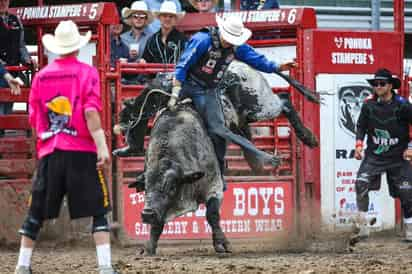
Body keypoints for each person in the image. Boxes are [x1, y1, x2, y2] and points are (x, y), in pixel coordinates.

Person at [14, 21, 116, 274]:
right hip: (81, 151)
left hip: (50, 151)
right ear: (77, 47)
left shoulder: (41, 77)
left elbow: (34, 117)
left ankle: (22, 265)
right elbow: (91, 112)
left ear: (57, 48)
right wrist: (102, 147)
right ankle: (104, 267)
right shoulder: (86, 73)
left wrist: (47, 140)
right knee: (99, 211)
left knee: (35, 212)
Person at [168, 15, 296, 187]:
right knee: (154, 102)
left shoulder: (237, 47)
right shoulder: (202, 41)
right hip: (186, 84)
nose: (230, 42)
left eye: (233, 39)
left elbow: (256, 59)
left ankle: (219, 175)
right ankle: (134, 141)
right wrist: (175, 91)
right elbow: (184, 64)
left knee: (218, 130)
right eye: (228, 38)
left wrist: (277, 66)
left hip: (207, 89)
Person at [113, 1, 187, 157]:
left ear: (175, 20)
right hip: (158, 84)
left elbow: (186, 63)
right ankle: (132, 135)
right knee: (148, 96)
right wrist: (143, 64)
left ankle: (129, 128)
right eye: (165, 16)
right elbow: (146, 65)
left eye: (171, 16)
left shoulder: (182, 40)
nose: (167, 19)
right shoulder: (152, 40)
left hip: (176, 84)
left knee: (146, 97)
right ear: (160, 18)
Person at [353, 68, 412, 242]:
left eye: (382, 83)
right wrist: (358, 145)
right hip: (374, 156)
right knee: (360, 185)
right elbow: (361, 126)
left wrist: (410, 146)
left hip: (398, 157)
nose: (378, 86)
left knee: (407, 192)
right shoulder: (368, 104)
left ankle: (409, 229)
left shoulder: (403, 105)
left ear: (390, 86)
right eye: (375, 83)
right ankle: (363, 227)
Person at [0, 0, 32, 129]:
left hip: (14, 69)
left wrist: (27, 59)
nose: (3, 3)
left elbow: (21, 45)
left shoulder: (15, 19)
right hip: (1, 70)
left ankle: (5, 132)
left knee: (12, 100)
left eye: (5, 0)